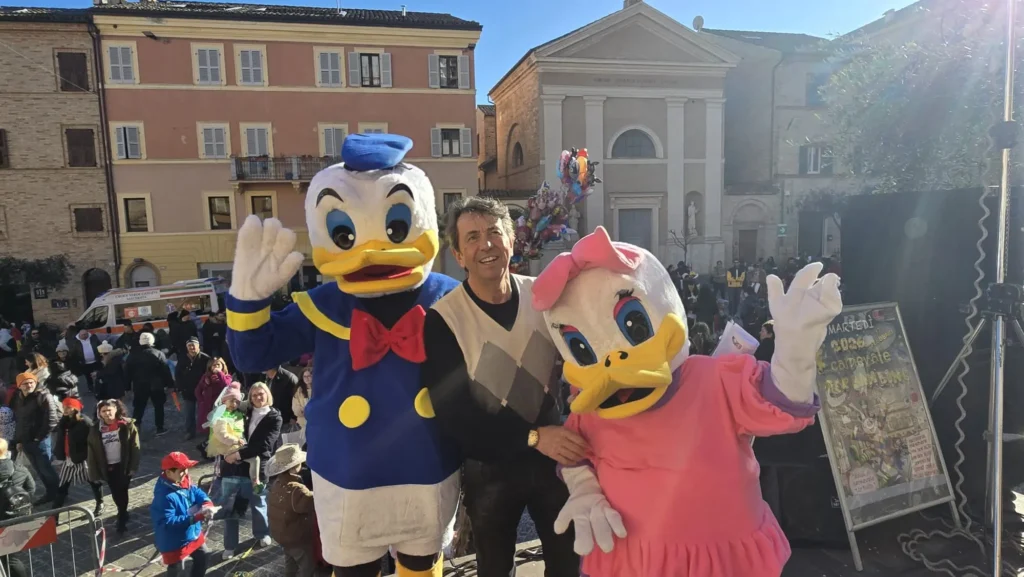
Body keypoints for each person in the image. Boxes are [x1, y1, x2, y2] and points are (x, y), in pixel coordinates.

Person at [423, 196, 581, 576]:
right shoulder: (443, 319)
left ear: (511, 240)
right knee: (495, 570)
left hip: (554, 461)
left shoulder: (545, 298)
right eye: (473, 237)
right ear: (459, 255)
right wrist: (535, 437)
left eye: (495, 232)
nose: (486, 245)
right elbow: (455, 416)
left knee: (568, 565)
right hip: (489, 468)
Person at [218, 382, 281, 561]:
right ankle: (230, 545)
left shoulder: (274, 417)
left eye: (261, 394)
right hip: (233, 468)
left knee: (258, 504)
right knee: (231, 508)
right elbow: (225, 406)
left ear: (267, 394)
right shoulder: (245, 410)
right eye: (254, 395)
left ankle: (262, 534)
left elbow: (264, 445)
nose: (258, 397)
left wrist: (237, 454)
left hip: (257, 469)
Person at [152, 451, 215, 577]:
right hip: (175, 541)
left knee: (203, 556)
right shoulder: (163, 496)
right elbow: (168, 522)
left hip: (193, 534)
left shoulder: (184, 480)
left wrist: (206, 503)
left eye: (186, 469)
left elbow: (196, 492)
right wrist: (196, 517)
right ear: (169, 472)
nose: (185, 473)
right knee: (177, 570)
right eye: (181, 470)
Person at [87, 399, 140, 534]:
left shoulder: (127, 425)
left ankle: (121, 517)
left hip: (123, 465)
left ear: (116, 410)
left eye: (109, 410)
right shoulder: (95, 430)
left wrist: (133, 466)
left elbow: (135, 447)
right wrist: (94, 473)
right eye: (103, 411)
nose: (107, 413)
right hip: (108, 467)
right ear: (99, 413)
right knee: (116, 492)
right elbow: (91, 452)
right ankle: (122, 512)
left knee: (123, 490)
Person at [267, 444, 319, 577]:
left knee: (290, 562)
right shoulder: (297, 490)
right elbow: (311, 504)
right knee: (307, 566)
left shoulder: (277, 483)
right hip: (298, 538)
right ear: (296, 467)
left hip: (282, 535)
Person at [9, 372, 60, 505]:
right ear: (19, 386)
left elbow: (51, 420)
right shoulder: (18, 397)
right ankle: (50, 493)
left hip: (40, 440)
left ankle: (58, 493)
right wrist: (18, 440)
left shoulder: (43, 396)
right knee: (38, 469)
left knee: (46, 468)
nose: (29, 385)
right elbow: (19, 420)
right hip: (26, 440)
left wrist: (38, 438)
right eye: (25, 383)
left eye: (31, 382)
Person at [53, 397, 103, 514]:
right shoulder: (63, 422)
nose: (65, 409)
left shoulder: (84, 422)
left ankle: (100, 502)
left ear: (75, 408)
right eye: (64, 406)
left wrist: (87, 455)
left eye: (68, 407)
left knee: (93, 481)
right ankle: (54, 514)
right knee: (63, 486)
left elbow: (93, 440)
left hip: (82, 458)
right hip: (69, 459)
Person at [125, 332, 172, 436]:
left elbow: (127, 372)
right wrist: (170, 385)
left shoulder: (132, 355)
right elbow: (165, 371)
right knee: (158, 407)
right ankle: (159, 428)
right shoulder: (158, 353)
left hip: (139, 385)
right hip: (156, 385)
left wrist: (127, 386)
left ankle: (135, 427)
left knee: (138, 407)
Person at [175, 338, 209, 440]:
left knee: (204, 411)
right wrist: (180, 387)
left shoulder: (205, 358)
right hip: (188, 390)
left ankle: (206, 430)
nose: (192, 347)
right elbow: (178, 374)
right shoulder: (183, 359)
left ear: (198, 346)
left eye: (194, 345)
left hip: (202, 390)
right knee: (189, 413)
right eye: (190, 345)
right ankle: (190, 431)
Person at [194, 357, 231, 437]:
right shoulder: (205, 377)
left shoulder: (226, 376)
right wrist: (201, 401)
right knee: (207, 425)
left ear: (222, 366)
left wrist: (219, 373)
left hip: (219, 406)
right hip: (207, 405)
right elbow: (198, 390)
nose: (216, 366)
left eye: (218, 364)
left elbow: (226, 385)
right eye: (213, 365)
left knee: (219, 426)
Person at [67, 326, 102, 393]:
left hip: (96, 361)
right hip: (85, 363)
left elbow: (99, 345)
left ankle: (99, 386)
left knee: (98, 374)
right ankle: (91, 388)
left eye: (86, 334)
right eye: (83, 335)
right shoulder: (75, 341)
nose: (84, 336)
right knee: (88, 376)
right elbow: (73, 352)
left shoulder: (93, 337)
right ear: (79, 335)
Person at [291, 367, 312, 440]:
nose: (307, 378)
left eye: (309, 376)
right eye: (305, 376)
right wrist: (304, 411)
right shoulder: (299, 390)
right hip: (302, 424)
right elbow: (295, 407)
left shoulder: (318, 389)